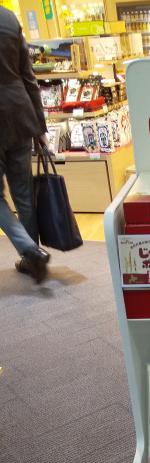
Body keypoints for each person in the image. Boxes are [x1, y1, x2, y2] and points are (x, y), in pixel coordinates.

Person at [0, 6, 50, 283]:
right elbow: (28, 76)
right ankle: (33, 259)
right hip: (19, 113)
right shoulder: (8, 18)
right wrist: (40, 127)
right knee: (23, 193)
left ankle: (30, 250)